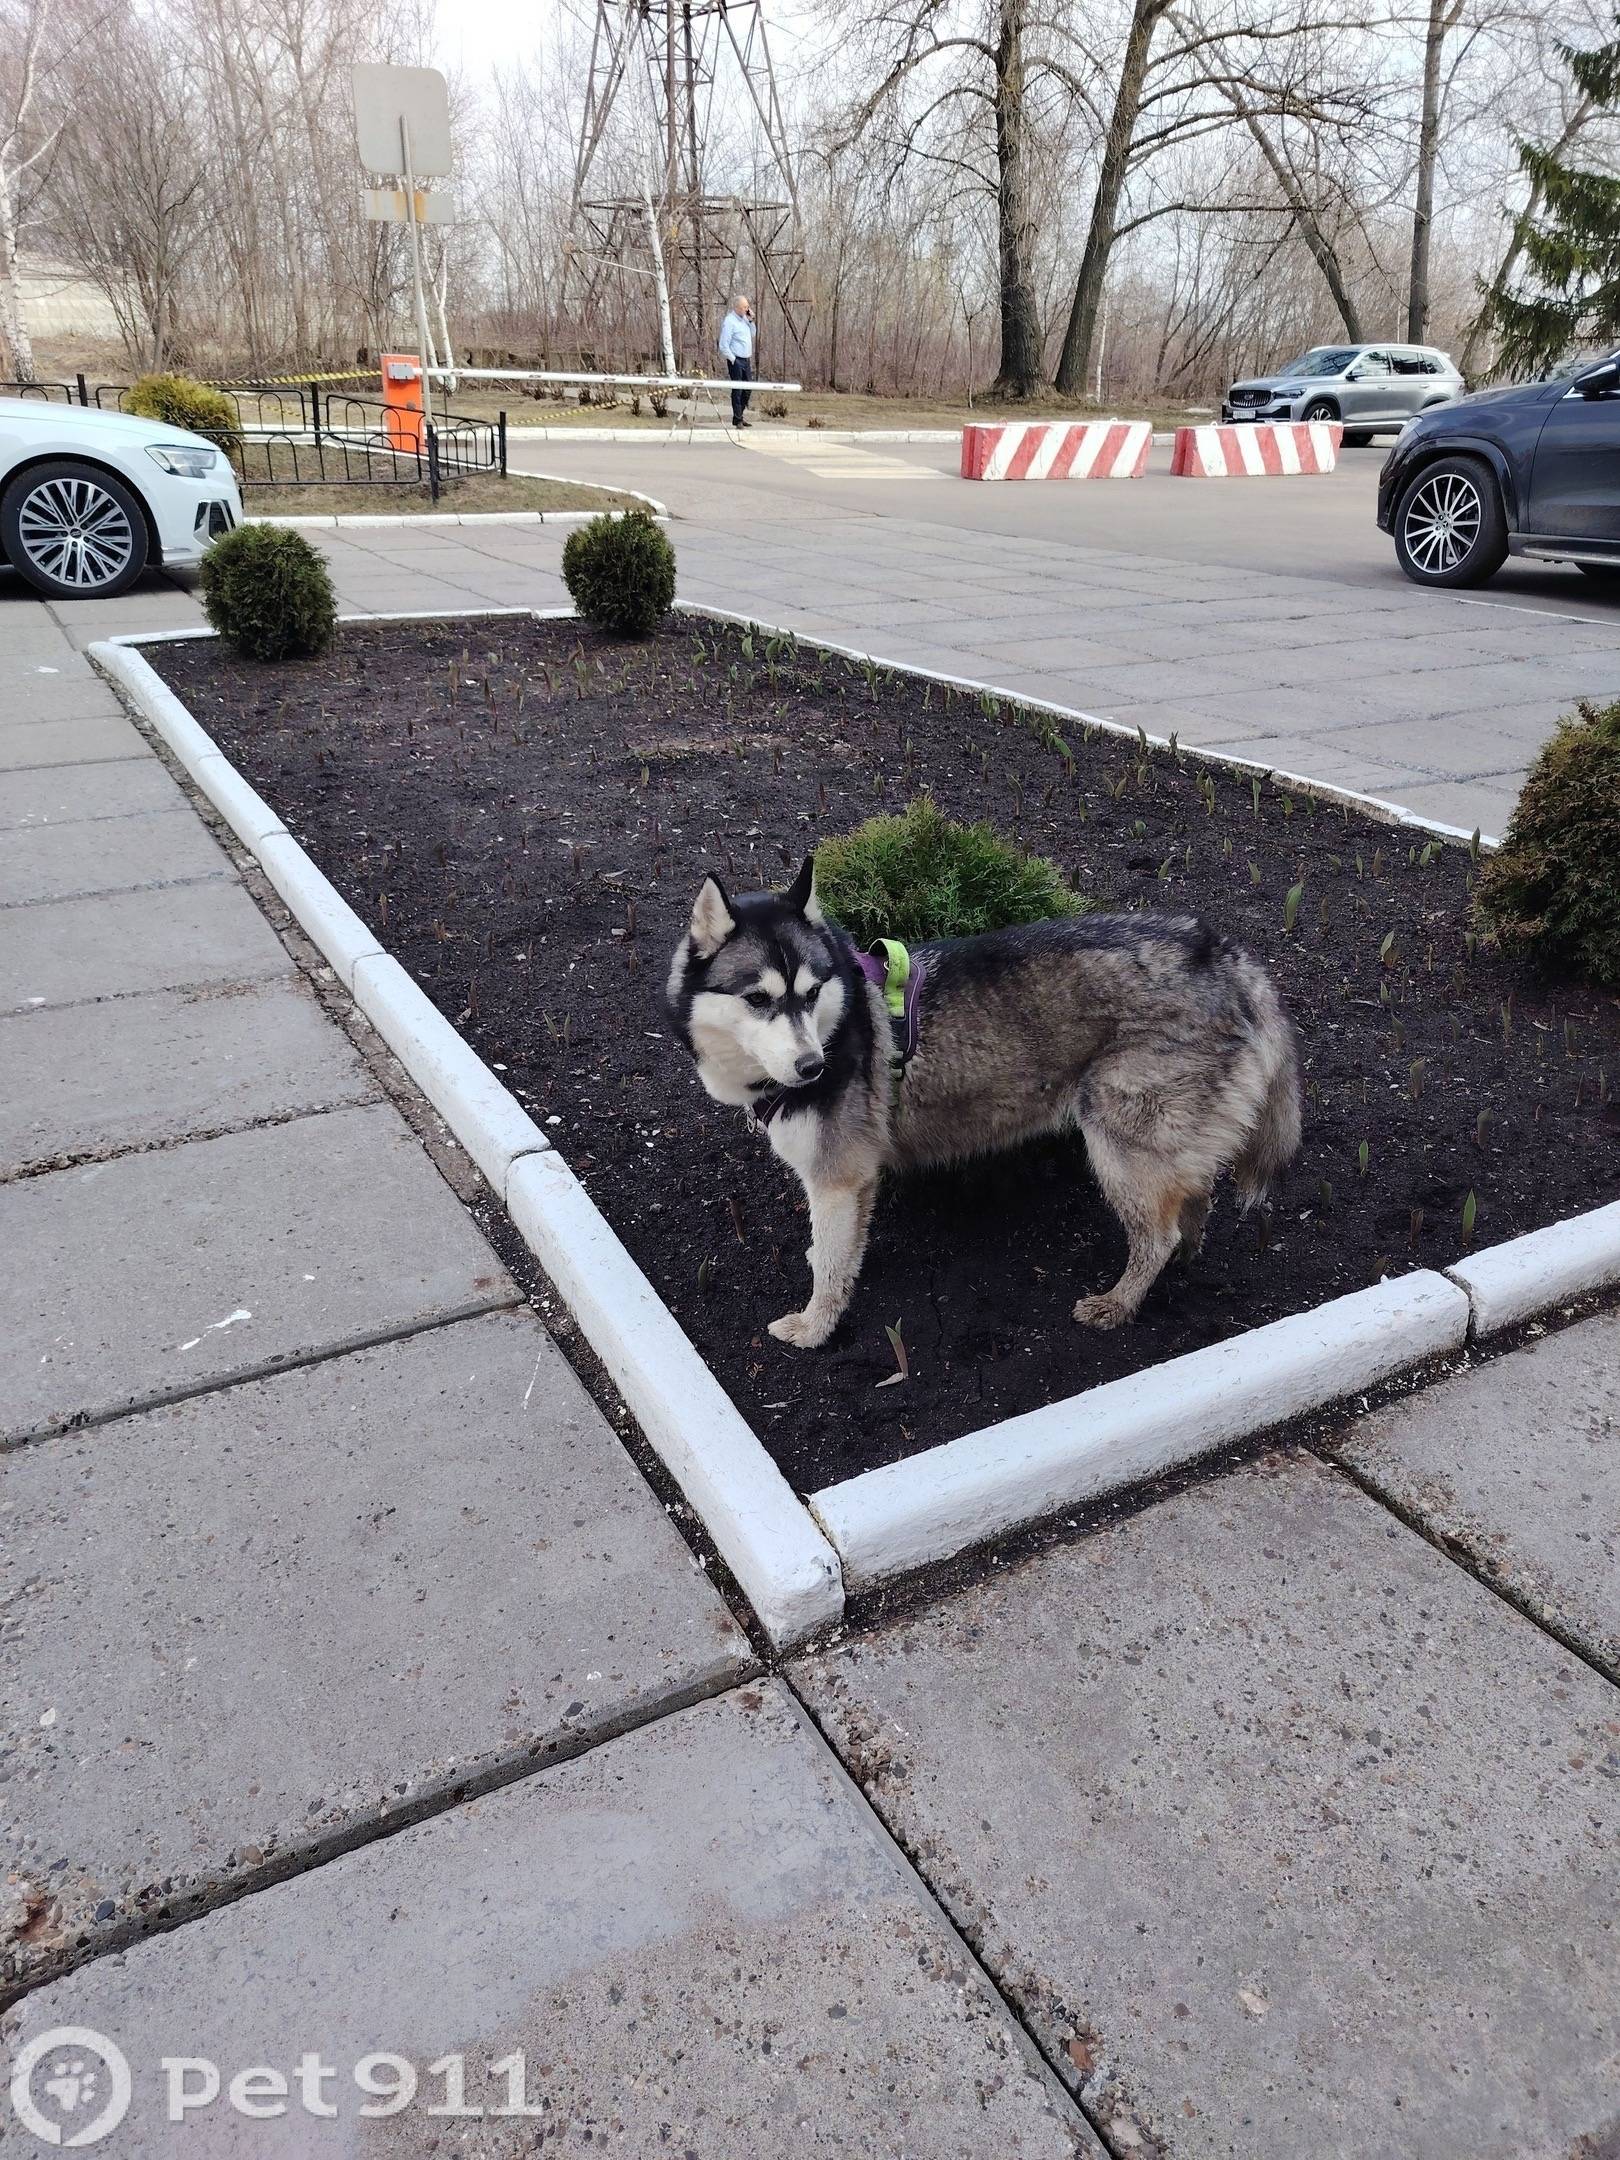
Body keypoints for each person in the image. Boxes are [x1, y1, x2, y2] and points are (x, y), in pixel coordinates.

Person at [718, 295, 755, 428]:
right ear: (737, 307)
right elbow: (723, 345)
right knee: (738, 390)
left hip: (746, 359)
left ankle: (739, 415)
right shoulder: (730, 321)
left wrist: (751, 320)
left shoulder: (745, 319)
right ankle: (738, 419)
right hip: (736, 359)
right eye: (745, 307)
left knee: (748, 389)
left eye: (747, 306)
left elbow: (753, 334)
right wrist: (733, 360)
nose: (747, 309)